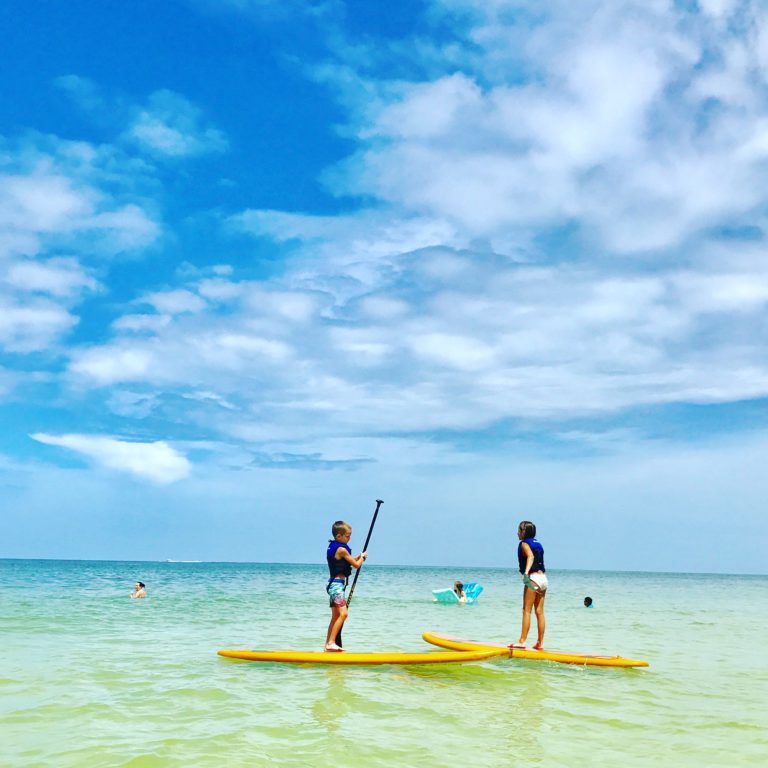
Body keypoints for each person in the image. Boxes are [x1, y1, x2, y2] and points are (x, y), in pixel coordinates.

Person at [325, 520, 367, 652]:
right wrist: (363, 558)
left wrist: (358, 556)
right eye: (347, 536)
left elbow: (351, 560)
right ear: (338, 536)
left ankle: (328, 645)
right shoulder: (342, 549)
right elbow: (356, 565)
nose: (349, 538)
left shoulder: (338, 549)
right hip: (336, 587)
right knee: (343, 614)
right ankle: (331, 643)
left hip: (334, 585)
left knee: (335, 617)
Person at [511, 521, 547, 650]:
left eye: (519, 531)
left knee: (526, 610)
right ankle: (540, 643)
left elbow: (530, 557)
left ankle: (522, 641)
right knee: (539, 612)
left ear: (524, 532)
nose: (517, 533)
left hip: (533, 578)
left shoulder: (524, 543)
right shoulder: (538, 543)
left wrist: (526, 574)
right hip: (543, 578)